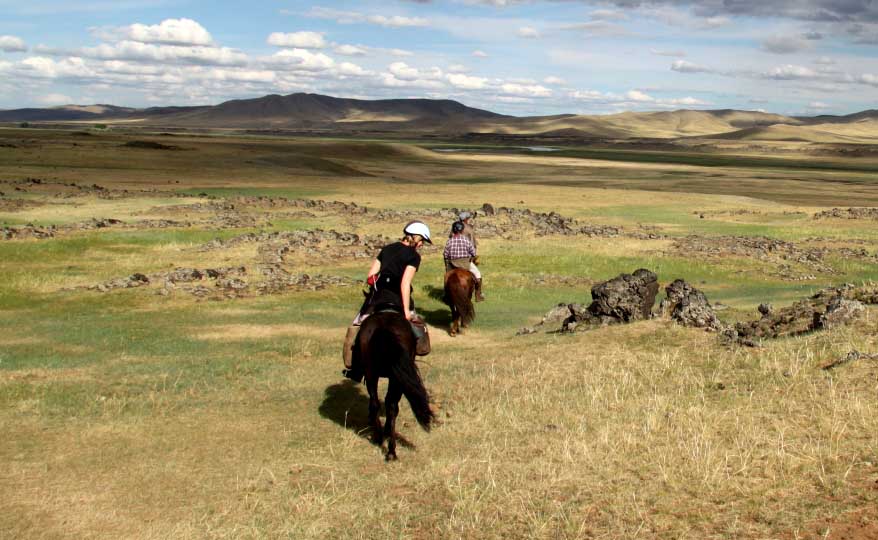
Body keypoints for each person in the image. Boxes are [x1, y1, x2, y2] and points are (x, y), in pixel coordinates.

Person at [341, 221, 432, 382]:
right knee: (419, 327)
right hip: (398, 300)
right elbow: (405, 284)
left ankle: (355, 370)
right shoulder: (414, 257)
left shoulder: (386, 249)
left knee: (356, 327)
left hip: (377, 299)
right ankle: (414, 355)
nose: (421, 245)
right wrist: (405, 312)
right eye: (422, 241)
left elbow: (370, 277)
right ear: (415, 238)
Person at [454, 211, 485, 301]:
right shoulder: (469, 229)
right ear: (467, 219)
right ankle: (478, 295)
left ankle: (446, 294)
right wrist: (473, 256)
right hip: (465, 258)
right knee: (478, 274)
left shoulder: (454, 227)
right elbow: (472, 243)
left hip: (453, 259)